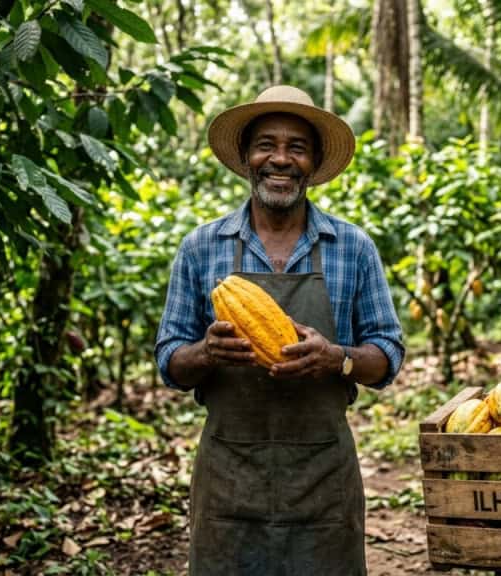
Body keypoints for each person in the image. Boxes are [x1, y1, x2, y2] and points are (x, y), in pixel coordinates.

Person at [155, 85, 404, 575]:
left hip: (322, 480)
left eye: (298, 147)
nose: (281, 159)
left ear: (312, 163)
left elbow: (387, 357)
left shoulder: (352, 247)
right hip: (229, 478)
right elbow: (169, 361)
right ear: (247, 157)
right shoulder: (202, 247)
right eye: (266, 144)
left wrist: (337, 358)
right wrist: (205, 353)